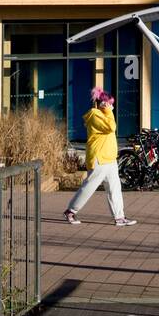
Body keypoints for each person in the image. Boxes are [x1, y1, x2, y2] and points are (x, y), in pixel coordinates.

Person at [63, 88, 136, 227]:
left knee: (115, 188)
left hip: (109, 158)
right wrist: (108, 111)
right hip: (99, 158)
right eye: (109, 103)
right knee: (89, 187)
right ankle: (70, 211)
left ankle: (119, 217)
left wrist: (108, 112)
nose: (111, 106)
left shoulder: (105, 114)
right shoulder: (94, 114)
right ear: (102, 103)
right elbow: (111, 127)